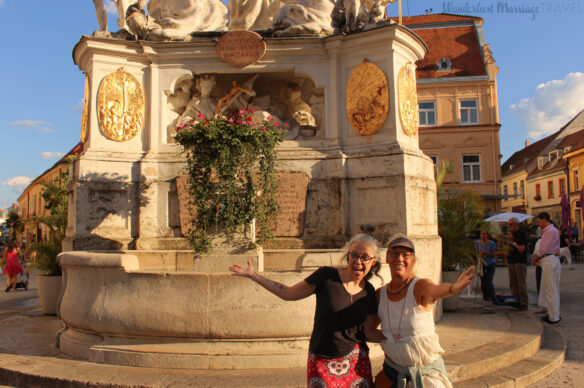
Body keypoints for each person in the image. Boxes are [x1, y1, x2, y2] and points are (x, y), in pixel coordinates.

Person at [229, 234, 382, 387]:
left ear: (373, 263)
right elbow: (287, 293)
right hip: (322, 360)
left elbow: (369, 332)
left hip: (355, 362)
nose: (358, 261)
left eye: (365, 257)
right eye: (354, 255)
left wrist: (400, 337)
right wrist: (254, 275)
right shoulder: (326, 277)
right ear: (348, 256)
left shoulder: (368, 292)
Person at [375, 234, 475, 387]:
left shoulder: (419, 286)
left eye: (405, 255)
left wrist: (453, 288)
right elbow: (369, 329)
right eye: (394, 253)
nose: (399, 258)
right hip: (392, 374)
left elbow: (435, 290)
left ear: (413, 260)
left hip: (426, 378)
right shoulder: (379, 295)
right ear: (387, 258)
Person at [533, 212, 561, 325]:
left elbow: (543, 249)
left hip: (548, 260)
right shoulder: (552, 230)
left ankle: (554, 317)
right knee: (552, 289)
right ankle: (554, 313)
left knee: (550, 290)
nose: (538, 224)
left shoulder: (549, 231)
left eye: (539, 221)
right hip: (552, 259)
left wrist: (536, 257)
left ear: (544, 219)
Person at [505, 217, 529, 311]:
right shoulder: (509, 234)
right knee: (513, 283)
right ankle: (515, 300)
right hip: (511, 260)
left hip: (519, 261)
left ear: (516, 224)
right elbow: (507, 248)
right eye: (508, 224)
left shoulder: (521, 234)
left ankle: (523, 302)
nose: (509, 226)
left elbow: (522, 249)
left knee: (521, 283)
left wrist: (513, 242)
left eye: (511, 224)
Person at [478, 231, 501, 305]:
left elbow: (493, 254)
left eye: (484, 234)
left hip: (490, 263)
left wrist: (486, 252)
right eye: (482, 234)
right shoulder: (478, 243)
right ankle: (486, 296)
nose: (483, 235)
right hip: (482, 264)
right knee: (483, 281)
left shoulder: (491, 243)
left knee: (489, 281)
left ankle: (493, 297)